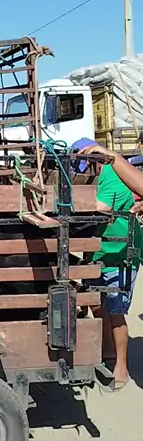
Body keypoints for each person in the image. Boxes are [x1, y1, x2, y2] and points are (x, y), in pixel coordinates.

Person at [73, 139, 142, 388]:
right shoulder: (94, 178)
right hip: (98, 250)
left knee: (115, 311)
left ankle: (121, 366)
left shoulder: (114, 176)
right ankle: (106, 352)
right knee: (97, 305)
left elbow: (98, 206)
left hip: (120, 253)